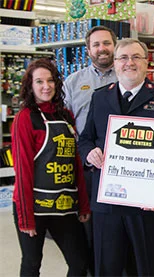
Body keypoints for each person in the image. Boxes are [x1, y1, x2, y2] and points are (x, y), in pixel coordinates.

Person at [78, 38, 154, 276]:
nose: (129, 63)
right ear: (114, 63)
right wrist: (89, 153)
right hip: (107, 201)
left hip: (146, 204)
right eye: (123, 58)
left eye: (136, 57)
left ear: (147, 63)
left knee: (147, 266)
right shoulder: (100, 97)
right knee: (107, 265)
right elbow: (85, 139)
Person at [11, 58, 90, 276]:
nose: (46, 86)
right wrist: (26, 217)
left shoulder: (65, 115)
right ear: (30, 86)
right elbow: (23, 170)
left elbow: (75, 164)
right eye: (39, 82)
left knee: (79, 262)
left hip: (64, 206)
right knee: (32, 263)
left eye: (50, 80)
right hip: (33, 207)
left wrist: (82, 205)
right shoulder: (25, 118)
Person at [63, 25, 118, 275]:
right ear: (88, 50)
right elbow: (64, 123)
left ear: (114, 45)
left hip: (121, 167)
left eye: (106, 43)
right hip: (86, 166)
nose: (102, 48)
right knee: (88, 227)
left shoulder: (127, 75)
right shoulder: (73, 82)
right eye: (96, 44)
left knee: (117, 231)